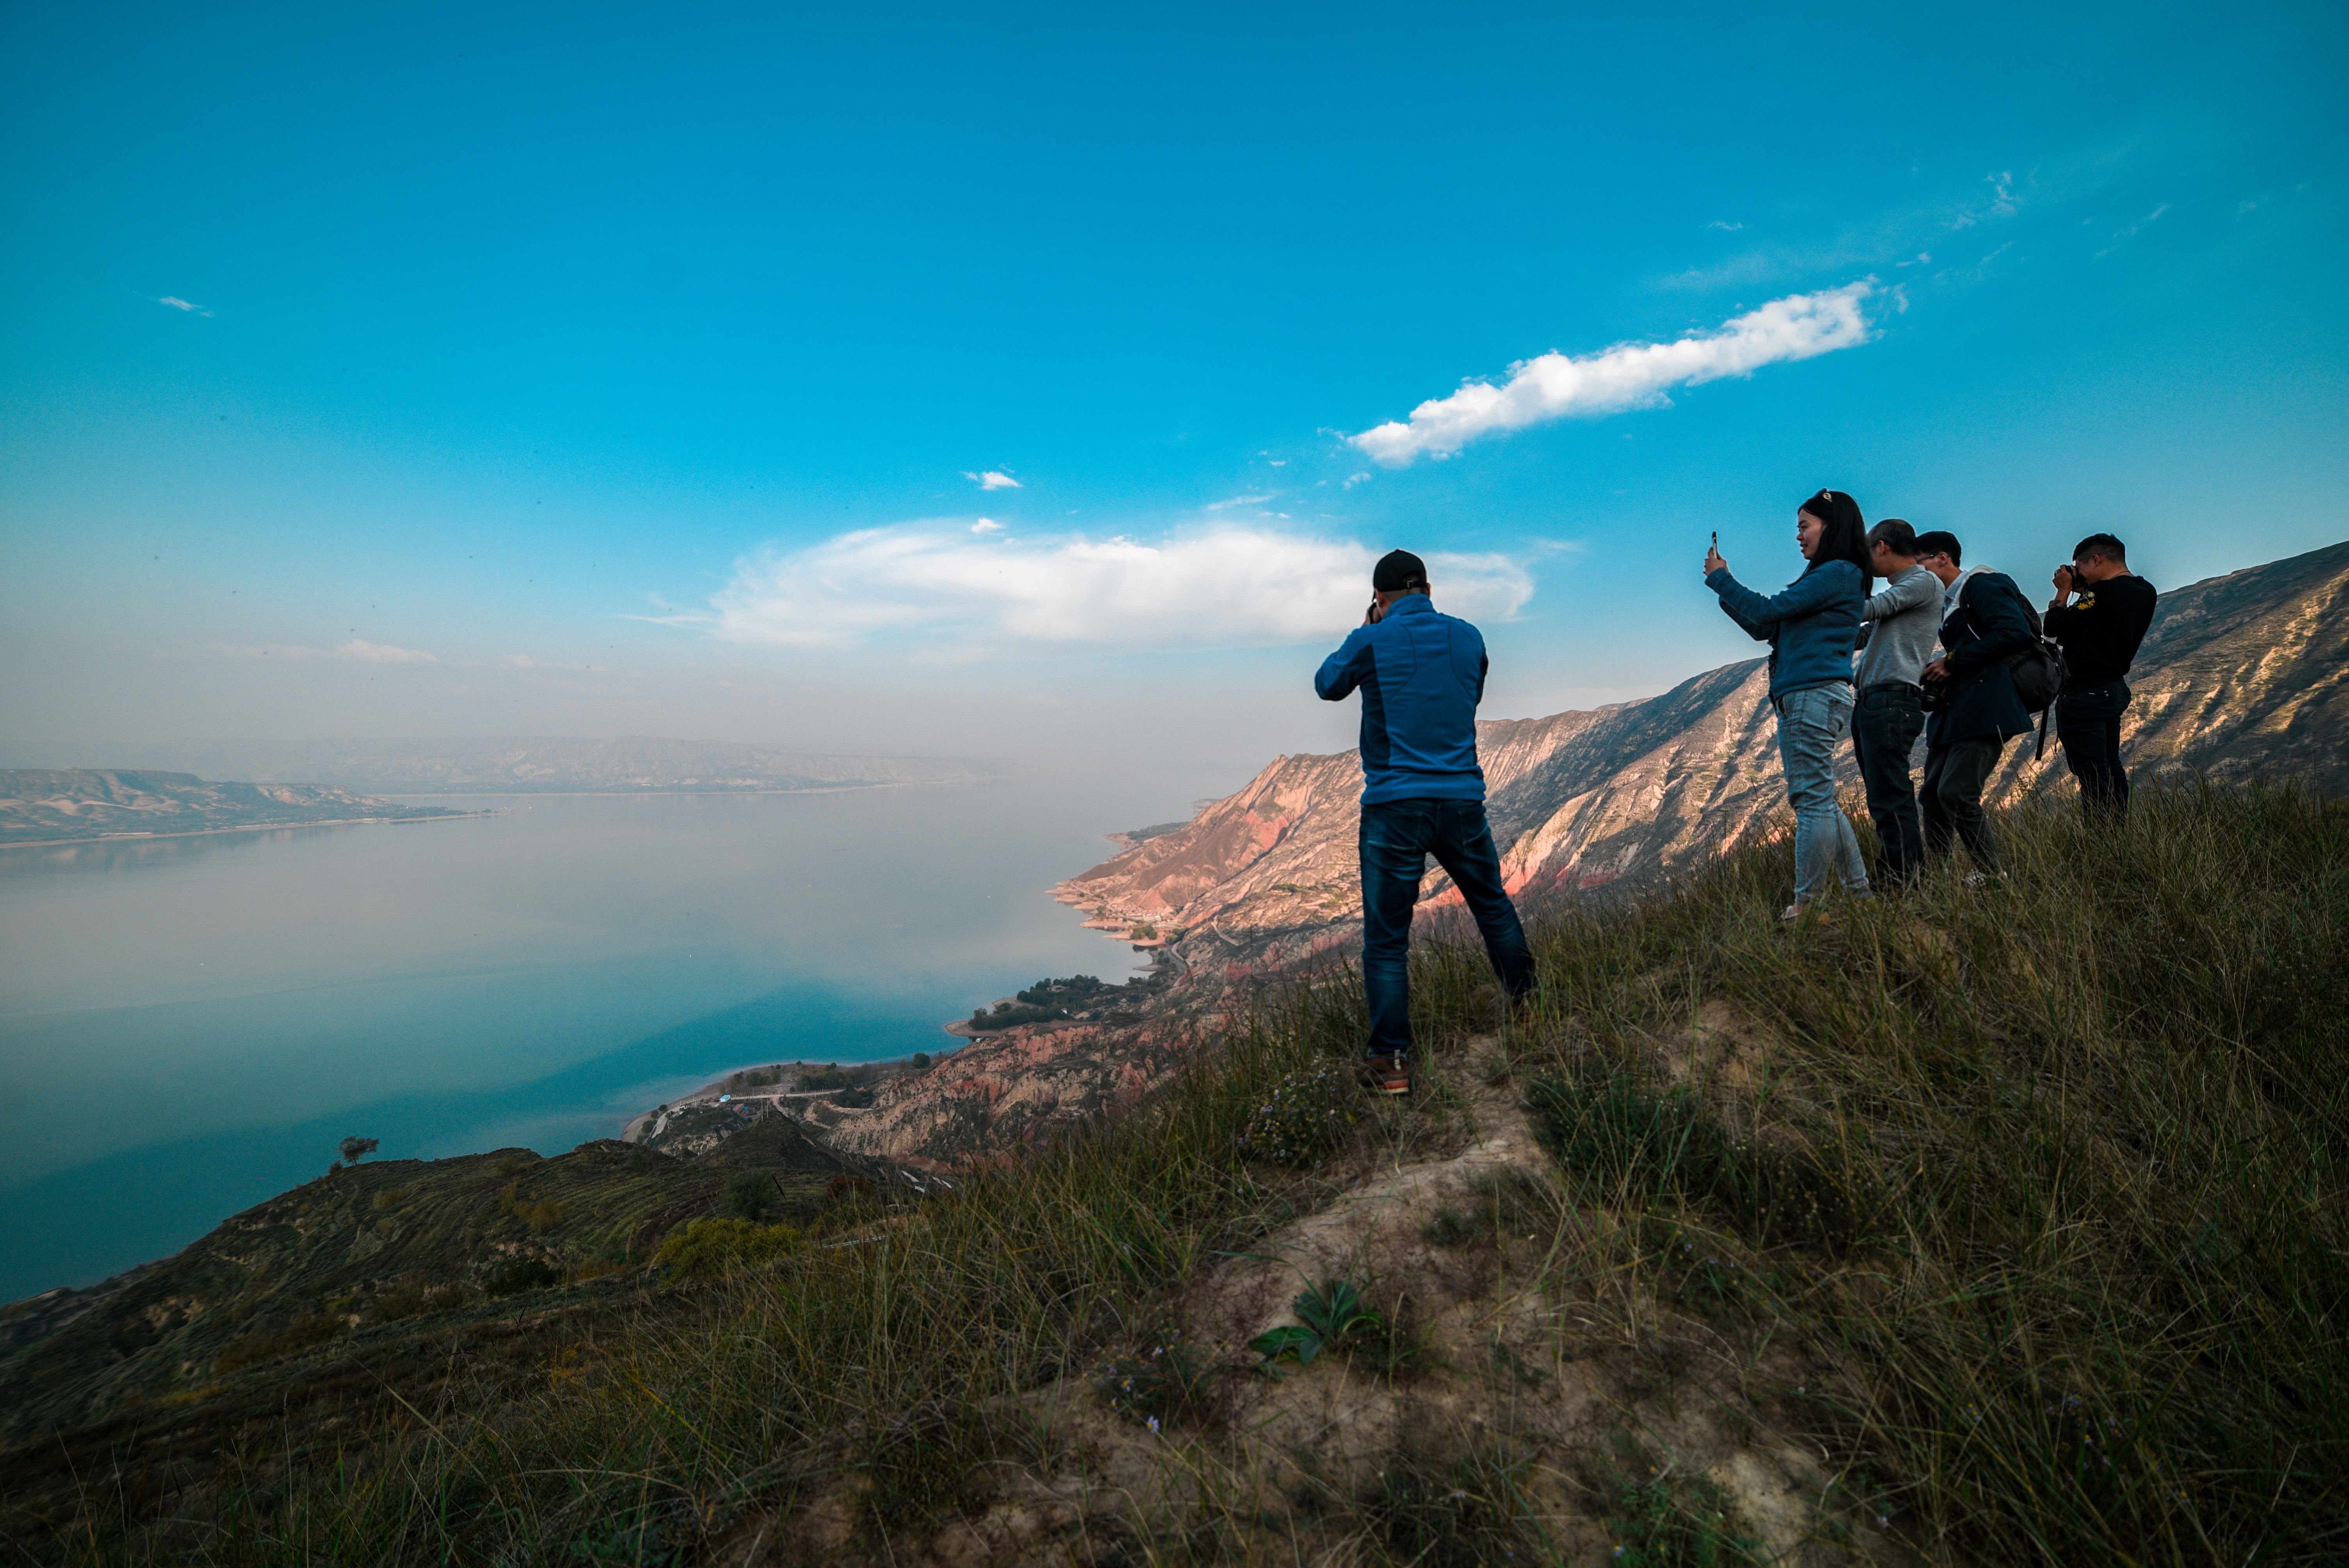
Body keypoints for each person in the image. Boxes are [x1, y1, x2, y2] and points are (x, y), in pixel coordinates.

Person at [1315, 549, 1534, 1096]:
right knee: (1492, 906)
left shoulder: (1373, 639)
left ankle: (1391, 1065)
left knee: (1388, 941)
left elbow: (1327, 684)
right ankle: (1530, 1010)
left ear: (1379, 598)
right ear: (1429, 590)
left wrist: (1371, 627)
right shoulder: (1470, 638)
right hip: (1461, 798)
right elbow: (1468, 694)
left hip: (1395, 805)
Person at [1704, 489, 1873, 920]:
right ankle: (1860, 897)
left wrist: (1723, 578)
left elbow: (1770, 609)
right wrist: (1721, 588)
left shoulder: (1837, 571)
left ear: (1830, 526)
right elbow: (1767, 627)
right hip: (1817, 693)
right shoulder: (1833, 576)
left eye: (1804, 526)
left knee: (1811, 800)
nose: (1798, 536)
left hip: (1810, 693)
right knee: (1822, 799)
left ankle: (1808, 904)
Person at [1911, 530, 2034, 877]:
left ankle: (1991, 875)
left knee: (1957, 793)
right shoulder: (1946, 603)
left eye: (1920, 565)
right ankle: (1937, 877)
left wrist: (1952, 662)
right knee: (1933, 796)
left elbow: (2014, 632)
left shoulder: (1980, 585)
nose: (1918, 575)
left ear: (1942, 558)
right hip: (1959, 708)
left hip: (1987, 705)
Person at [1850, 518, 1939, 887]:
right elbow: (1859, 632)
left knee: (1890, 796)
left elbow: (1866, 610)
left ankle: (1905, 883)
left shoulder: (1921, 581)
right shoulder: (1904, 596)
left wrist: (1841, 585)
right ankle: (1895, 876)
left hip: (1890, 700)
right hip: (1876, 701)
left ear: (1882, 547)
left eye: (1868, 553)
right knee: (1882, 796)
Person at [2044, 532, 2157, 821]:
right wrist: (2083, 589)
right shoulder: (2145, 591)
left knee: (2091, 772)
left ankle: (2099, 837)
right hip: (2112, 687)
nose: (2078, 573)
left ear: (2096, 559)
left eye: (2080, 567)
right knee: (2109, 765)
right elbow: (2090, 626)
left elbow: (2055, 626)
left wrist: (2063, 592)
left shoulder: (2105, 593)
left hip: (2086, 692)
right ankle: (2117, 834)